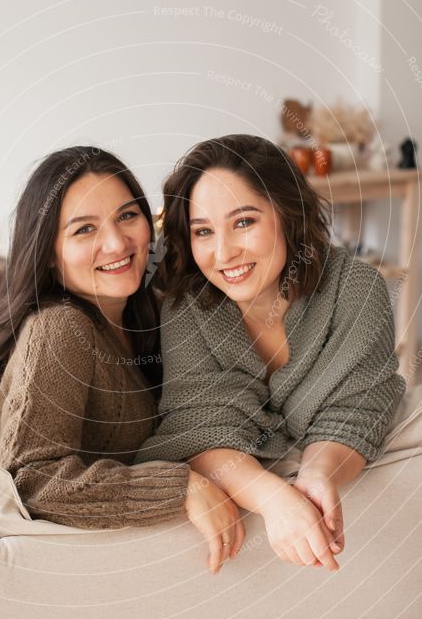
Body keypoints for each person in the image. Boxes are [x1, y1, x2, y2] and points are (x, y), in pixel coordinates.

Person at [135, 134, 406, 572]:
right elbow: (198, 426)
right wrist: (275, 499)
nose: (223, 253)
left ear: (286, 213)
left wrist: (318, 474)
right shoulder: (187, 309)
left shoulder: (355, 290)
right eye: (204, 231)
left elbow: (360, 404)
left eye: (243, 222)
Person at [0, 146, 245, 574]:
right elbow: (30, 479)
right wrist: (182, 488)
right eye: (84, 230)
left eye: (127, 216)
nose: (116, 243)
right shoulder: (60, 328)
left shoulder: (149, 311)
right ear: (49, 252)